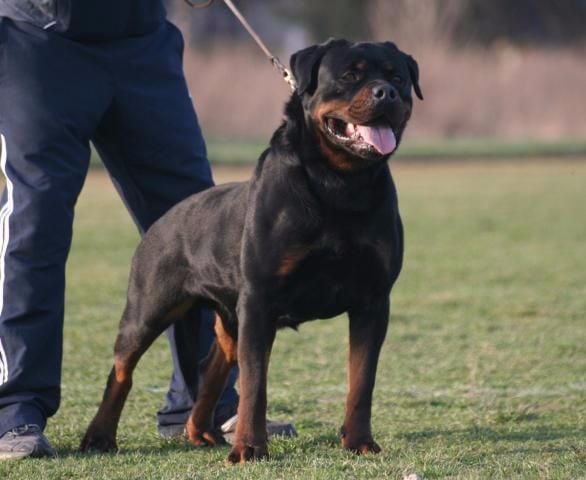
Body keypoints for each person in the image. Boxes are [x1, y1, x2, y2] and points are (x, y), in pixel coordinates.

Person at [0, 0, 293, 461]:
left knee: (198, 222)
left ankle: (205, 402)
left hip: (141, 40)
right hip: (39, 39)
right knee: (36, 221)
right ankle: (16, 408)